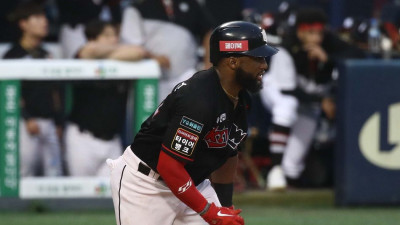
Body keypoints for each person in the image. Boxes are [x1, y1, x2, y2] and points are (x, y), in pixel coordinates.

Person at [106, 21, 278, 225]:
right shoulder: (198, 99)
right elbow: (169, 165)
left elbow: (229, 152)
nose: (264, 65)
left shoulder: (240, 99)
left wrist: (224, 207)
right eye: (257, 58)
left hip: (193, 183)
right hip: (147, 185)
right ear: (233, 62)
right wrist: (209, 212)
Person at [262, 8, 365, 189]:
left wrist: (328, 58)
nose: (317, 38)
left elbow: (358, 54)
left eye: (319, 32)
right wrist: (322, 100)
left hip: (310, 100)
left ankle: (288, 182)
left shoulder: (328, 42)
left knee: (294, 162)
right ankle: (275, 168)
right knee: (287, 108)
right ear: (300, 31)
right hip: (277, 91)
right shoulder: (287, 46)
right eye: (311, 32)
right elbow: (290, 91)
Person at [65, 20, 149, 176]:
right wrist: (118, 53)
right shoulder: (83, 56)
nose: (114, 39)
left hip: (112, 141)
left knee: (112, 196)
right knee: (79, 197)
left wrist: (107, 56)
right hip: (82, 138)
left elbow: (139, 52)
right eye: (107, 35)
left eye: (115, 35)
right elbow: (88, 51)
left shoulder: (124, 64)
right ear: (92, 38)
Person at [3, 1, 63, 177]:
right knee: (24, 171)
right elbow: (11, 92)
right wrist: (27, 118)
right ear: (23, 24)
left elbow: (56, 91)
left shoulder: (47, 54)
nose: (44, 22)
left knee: (54, 173)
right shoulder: (12, 55)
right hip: (23, 124)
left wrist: (59, 121)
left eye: (44, 17)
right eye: (37, 17)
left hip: (50, 123)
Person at [119, 0, 214, 101]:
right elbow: (131, 46)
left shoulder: (191, 4)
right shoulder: (137, 7)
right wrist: (152, 58)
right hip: (152, 80)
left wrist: (208, 66)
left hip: (187, 75)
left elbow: (208, 32)